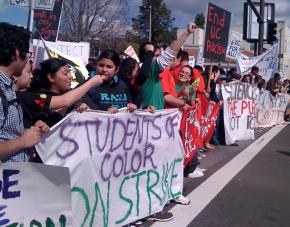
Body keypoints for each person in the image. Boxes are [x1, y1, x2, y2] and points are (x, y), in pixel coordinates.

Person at [0, 22, 48, 162]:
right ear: (16, 53)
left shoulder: (8, 87)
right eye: (27, 53)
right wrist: (22, 142)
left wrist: (29, 133)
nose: (28, 58)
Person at [139, 22, 197, 110]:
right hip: (152, 120)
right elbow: (168, 55)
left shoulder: (162, 73)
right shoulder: (152, 70)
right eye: (157, 56)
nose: (159, 59)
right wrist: (187, 32)